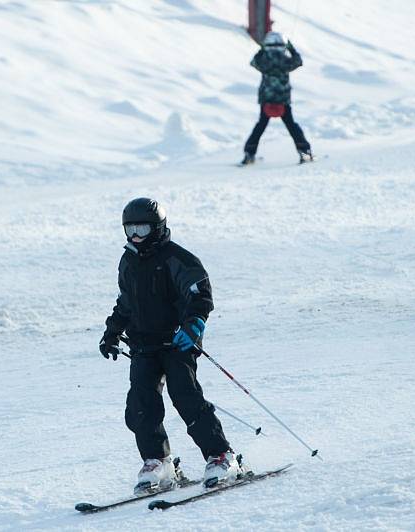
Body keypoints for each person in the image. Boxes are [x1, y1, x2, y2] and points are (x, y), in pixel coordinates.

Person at [98, 197, 243, 493]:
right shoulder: (128, 261)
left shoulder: (177, 258)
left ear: (158, 227)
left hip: (177, 343)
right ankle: (158, 462)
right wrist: (112, 333)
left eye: (142, 228)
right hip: (143, 346)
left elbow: (200, 295)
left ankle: (221, 456)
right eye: (130, 229)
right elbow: (127, 302)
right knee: (141, 406)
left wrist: (193, 327)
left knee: (186, 398)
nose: (136, 236)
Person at [241, 31, 313, 165]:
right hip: (283, 99)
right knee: (292, 126)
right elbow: (298, 61)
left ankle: (249, 154)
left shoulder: (264, 61)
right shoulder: (285, 60)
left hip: (266, 99)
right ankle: (306, 154)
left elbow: (253, 62)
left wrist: (261, 50)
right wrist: (291, 48)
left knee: (260, 127)